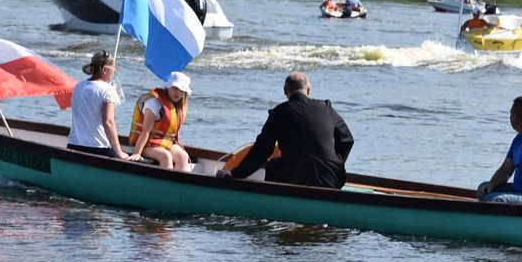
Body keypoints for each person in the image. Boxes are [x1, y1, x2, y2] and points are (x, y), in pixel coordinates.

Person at [217, 72, 354, 188]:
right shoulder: (327, 108)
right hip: (333, 178)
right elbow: (347, 140)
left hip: (296, 179)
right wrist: (335, 164)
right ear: (308, 90)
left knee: (272, 166)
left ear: (285, 91)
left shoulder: (280, 112)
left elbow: (262, 150)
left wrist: (236, 174)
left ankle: (275, 206)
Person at [67, 50, 128, 159]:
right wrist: (118, 151)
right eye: (113, 69)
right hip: (97, 148)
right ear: (105, 70)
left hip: (73, 144)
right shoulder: (108, 89)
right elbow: (108, 121)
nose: (115, 72)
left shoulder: (78, 86)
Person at [128, 71, 193, 171]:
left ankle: (178, 185)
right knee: (165, 156)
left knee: (183, 156)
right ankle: (166, 185)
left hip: (164, 143)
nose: (178, 93)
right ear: (168, 87)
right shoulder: (154, 102)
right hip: (146, 143)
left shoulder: (178, 105)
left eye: (182, 91)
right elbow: (146, 131)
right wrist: (137, 153)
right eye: (175, 88)